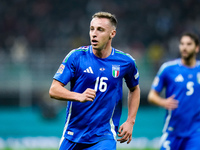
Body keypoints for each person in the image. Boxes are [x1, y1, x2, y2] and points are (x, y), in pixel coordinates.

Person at [49, 12, 140, 150]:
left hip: (104, 136)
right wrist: (78, 96)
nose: (94, 34)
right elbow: (54, 89)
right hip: (73, 134)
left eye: (100, 30)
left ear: (112, 34)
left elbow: (134, 89)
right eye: (92, 29)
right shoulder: (76, 57)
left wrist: (130, 121)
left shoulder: (125, 62)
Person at [148, 32, 200, 150]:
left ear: (197, 48)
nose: (184, 47)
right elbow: (152, 95)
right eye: (182, 44)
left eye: (189, 44)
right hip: (172, 131)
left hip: (196, 132)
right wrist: (163, 102)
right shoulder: (168, 68)